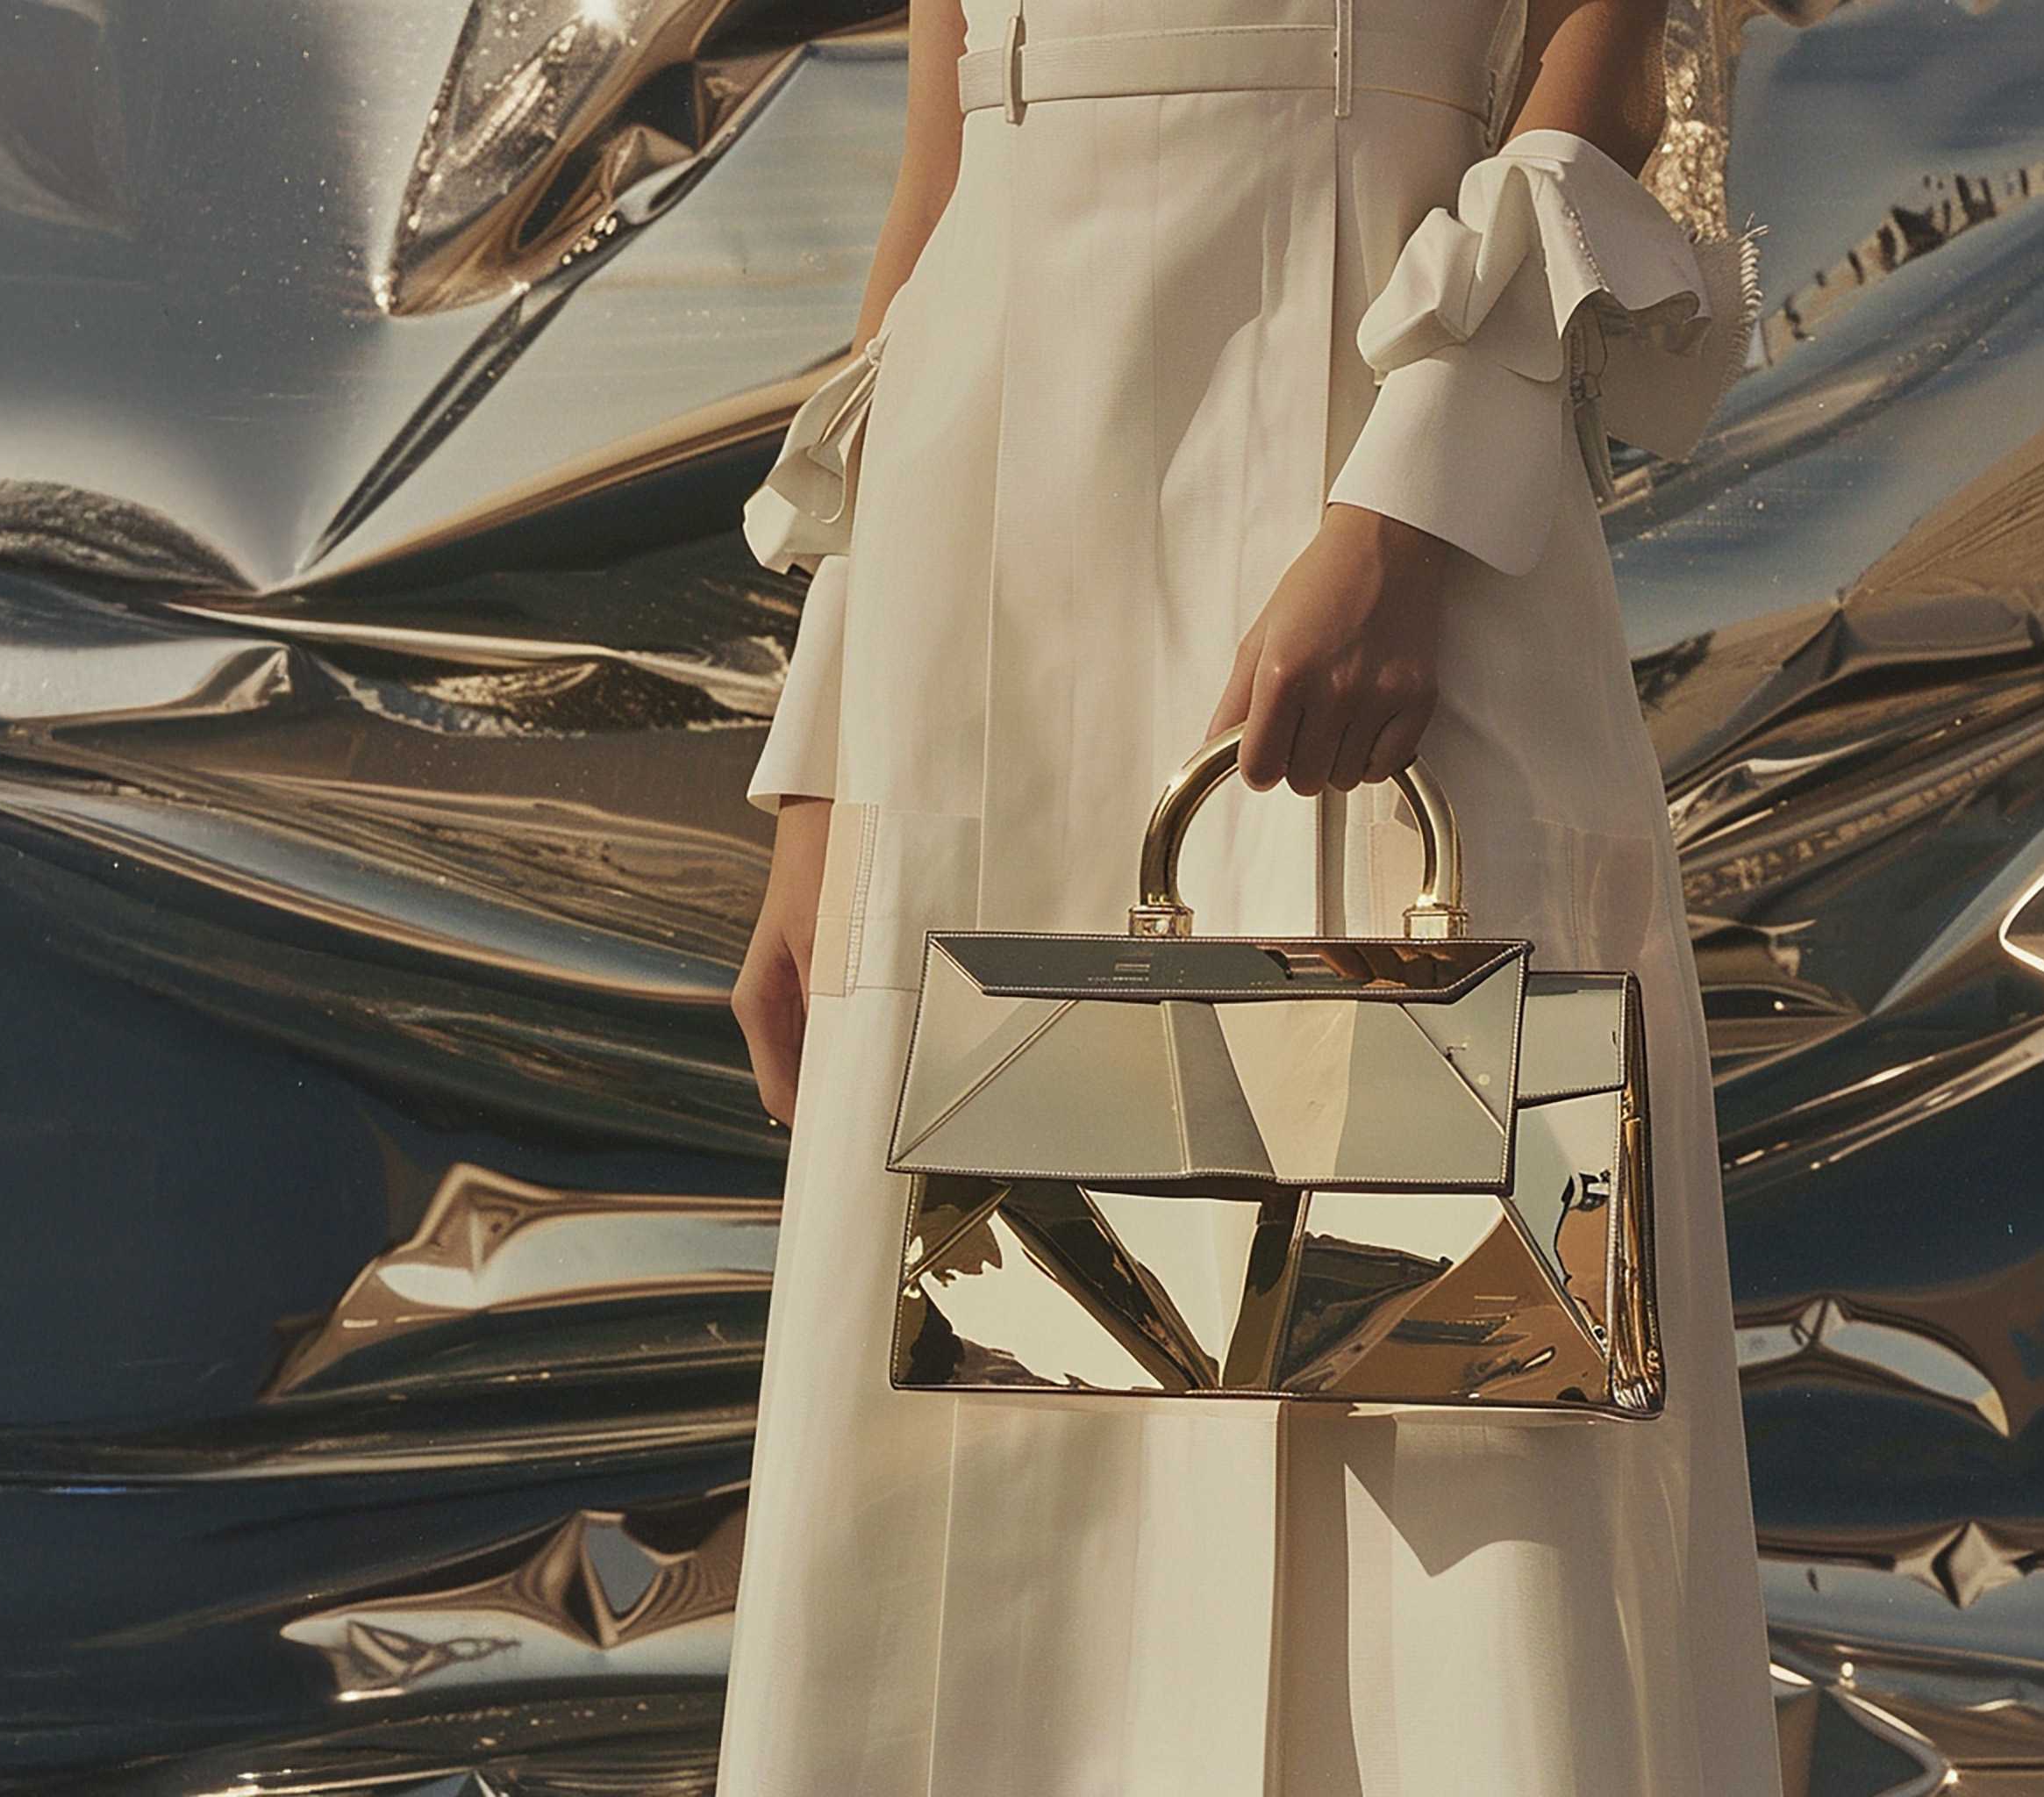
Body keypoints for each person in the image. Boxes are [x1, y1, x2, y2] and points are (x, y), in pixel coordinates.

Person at [719, 1, 1780, 1790]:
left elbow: (1600, 82)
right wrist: (817, 778)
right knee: (996, 1436)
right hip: (978, 581)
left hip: (1395, 486)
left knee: (1450, 1390)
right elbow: (942, 172)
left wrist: (1414, 513)